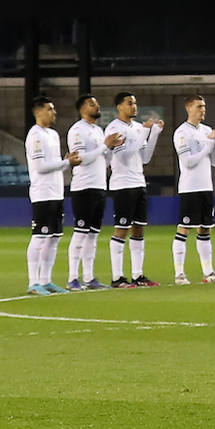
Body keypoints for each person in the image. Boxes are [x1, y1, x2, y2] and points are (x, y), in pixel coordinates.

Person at [102, 92, 162, 288]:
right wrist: (144, 133)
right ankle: (117, 277)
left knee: (138, 229)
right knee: (122, 229)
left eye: (135, 103)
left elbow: (145, 157)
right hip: (122, 184)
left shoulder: (137, 128)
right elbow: (125, 156)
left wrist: (153, 135)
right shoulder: (114, 128)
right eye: (130, 103)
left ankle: (138, 275)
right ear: (119, 107)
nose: (134, 107)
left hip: (138, 182)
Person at [170, 95, 215, 283]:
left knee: (205, 229)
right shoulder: (182, 133)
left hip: (206, 186)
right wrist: (209, 143)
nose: (202, 110)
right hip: (190, 188)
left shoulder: (206, 130)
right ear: (188, 108)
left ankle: (208, 272)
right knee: (184, 228)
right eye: (199, 106)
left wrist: (214, 143)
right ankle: (179, 273)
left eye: (204, 106)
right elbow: (188, 162)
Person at [24, 97, 78, 295]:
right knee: (40, 236)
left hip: (56, 191)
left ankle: (46, 280)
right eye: (49, 109)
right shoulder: (35, 136)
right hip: (42, 193)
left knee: (54, 237)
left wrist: (64, 163)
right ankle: (33, 282)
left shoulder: (53, 135)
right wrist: (66, 163)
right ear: (38, 113)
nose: (53, 113)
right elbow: (40, 167)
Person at [65, 94, 111, 291]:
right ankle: (72, 277)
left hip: (99, 185)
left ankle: (89, 277)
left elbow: (102, 159)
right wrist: (104, 147)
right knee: (81, 231)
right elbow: (80, 158)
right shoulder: (77, 130)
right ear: (83, 109)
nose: (97, 106)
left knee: (92, 234)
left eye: (97, 103)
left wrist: (108, 150)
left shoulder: (98, 130)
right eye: (92, 104)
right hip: (84, 186)